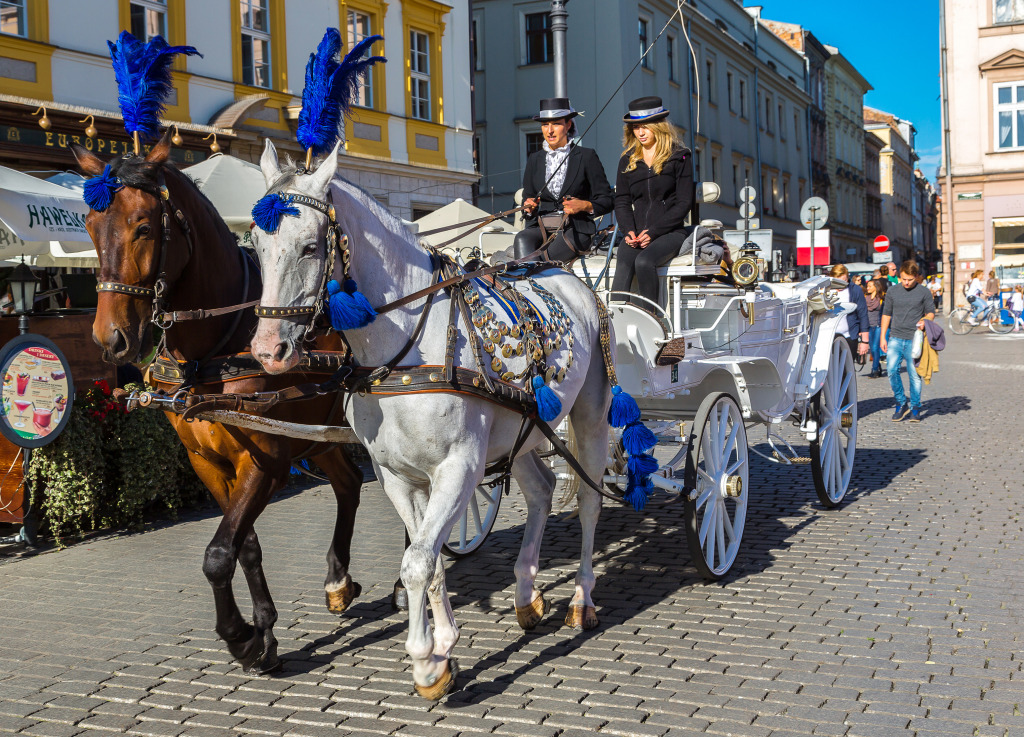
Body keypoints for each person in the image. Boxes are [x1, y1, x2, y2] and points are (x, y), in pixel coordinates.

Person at [611, 97, 695, 305]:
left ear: (658, 126)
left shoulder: (680, 157)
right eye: (636, 127)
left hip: (669, 232)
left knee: (644, 261)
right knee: (623, 264)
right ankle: (613, 324)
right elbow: (621, 200)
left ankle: (651, 319)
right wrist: (628, 230)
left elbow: (684, 203)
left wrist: (654, 232)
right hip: (635, 233)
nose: (640, 133)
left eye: (645, 127)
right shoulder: (628, 159)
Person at [514, 97, 613, 261]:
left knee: (545, 257)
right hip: (543, 227)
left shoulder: (587, 156)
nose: (549, 130)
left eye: (556, 124)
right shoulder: (534, 159)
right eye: (545, 125)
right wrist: (529, 208)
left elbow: (608, 199)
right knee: (522, 238)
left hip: (575, 229)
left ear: (568, 125)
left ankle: (535, 281)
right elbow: (528, 197)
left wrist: (585, 205)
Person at [881, 260, 936, 422]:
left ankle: (916, 407)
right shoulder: (892, 292)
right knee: (891, 370)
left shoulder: (924, 292)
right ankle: (901, 402)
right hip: (895, 337)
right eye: (903, 279)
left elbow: (931, 312)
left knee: (914, 375)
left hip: (915, 339)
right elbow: (886, 314)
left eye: (910, 279)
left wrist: (925, 320)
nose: (906, 282)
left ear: (916, 277)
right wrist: (883, 335)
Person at [828, 265, 870, 364]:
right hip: (829, 336)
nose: (841, 286)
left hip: (849, 336)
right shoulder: (826, 290)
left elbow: (863, 314)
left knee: (847, 369)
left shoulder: (855, 290)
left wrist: (865, 341)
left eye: (844, 281)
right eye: (837, 282)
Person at [865, 277, 885, 377]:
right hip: (868, 326)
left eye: (870, 286)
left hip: (878, 326)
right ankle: (878, 366)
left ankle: (875, 370)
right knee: (872, 350)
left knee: (875, 348)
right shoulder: (865, 299)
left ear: (875, 287)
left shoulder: (881, 299)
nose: (867, 288)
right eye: (867, 286)